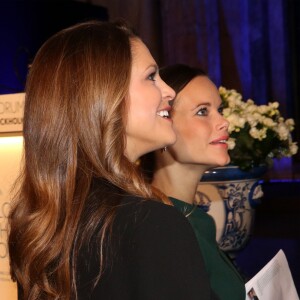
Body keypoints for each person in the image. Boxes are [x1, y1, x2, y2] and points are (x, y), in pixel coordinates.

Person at [8, 22, 219, 300]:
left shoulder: (41, 225)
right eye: (151, 76)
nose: (169, 91)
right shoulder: (151, 223)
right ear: (106, 95)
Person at [141, 64, 246, 300]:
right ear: (163, 121)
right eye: (202, 111)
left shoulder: (196, 219)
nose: (224, 122)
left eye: (220, 110)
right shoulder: (153, 226)